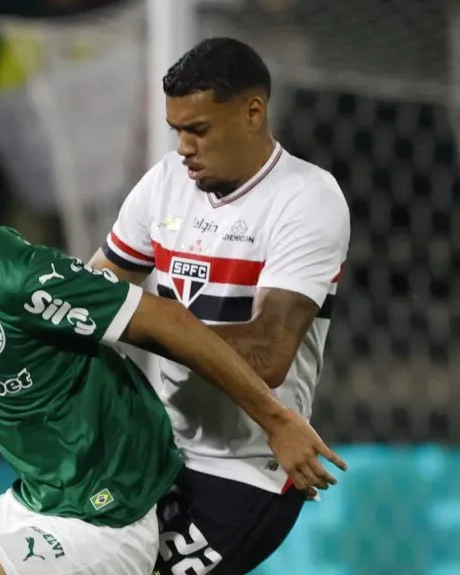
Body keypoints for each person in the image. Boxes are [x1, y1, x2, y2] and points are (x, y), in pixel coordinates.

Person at [0, 114, 346, 575]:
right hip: (36, 500)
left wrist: (275, 419)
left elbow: (169, 324)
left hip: (105, 519)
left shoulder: (31, 281)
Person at [89, 37, 351, 574]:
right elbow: (95, 291)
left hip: (247, 471)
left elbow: (269, 352)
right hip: (160, 449)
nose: (184, 146)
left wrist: (150, 324)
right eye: (177, 130)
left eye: (198, 130)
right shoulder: (165, 183)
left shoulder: (307, 198)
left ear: (253, 113)